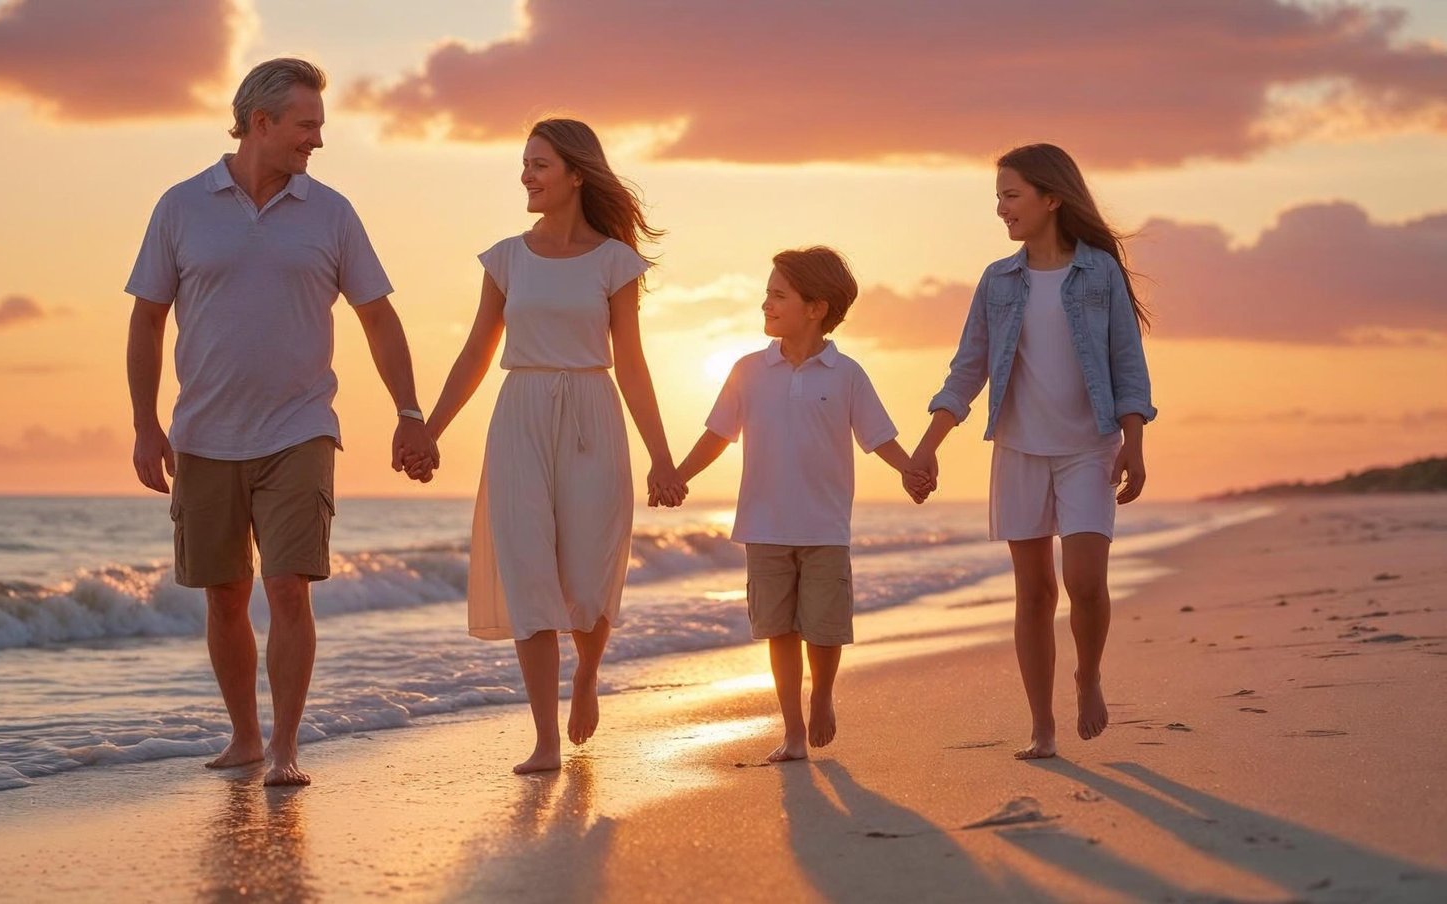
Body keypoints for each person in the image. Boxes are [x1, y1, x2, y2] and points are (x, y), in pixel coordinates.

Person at [124, 58, 437, 786]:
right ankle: (245, 737)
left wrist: (409, 410)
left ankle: (287, 748)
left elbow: (378, 317)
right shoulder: (180, 207)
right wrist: (145, 424)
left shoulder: (330, 212)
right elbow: (146, 320)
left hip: (300, 428)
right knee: (226, 593)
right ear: (260, 123)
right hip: (204, 434)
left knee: (289, 585)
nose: (317, 142)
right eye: (307, 126)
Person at [421, 119, 686, 774]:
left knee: (589, 578)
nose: (527, 176)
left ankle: (588, 671)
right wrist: (430, 428)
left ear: (575, 173)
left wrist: (662, 455)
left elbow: (633, 364)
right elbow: (476, 353)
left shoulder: (615, 262)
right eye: (524, 163)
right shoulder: (506, 257)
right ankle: (545, 739)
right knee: (527, 573)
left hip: (593, 416)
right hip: (520, 414)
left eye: (539, 164)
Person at [908, 143, 1156, 760]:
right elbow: (967, 370)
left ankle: (1088, 674)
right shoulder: (998, 281)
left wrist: (1135, 442)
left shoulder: (1099, 273)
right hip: (1019, 449)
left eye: (1010, 195)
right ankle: (1043, 727)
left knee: (1086, 583)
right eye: (997, 197)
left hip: (1088, 448)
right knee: (1035, 593)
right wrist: (928, 444)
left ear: (1051, 198)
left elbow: (1128, 363)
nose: (1000, 209)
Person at [676, 246, 932, 763]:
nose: (766, 303)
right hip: (765, 524)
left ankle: (823, 697)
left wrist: (909, 468)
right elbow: (716, 434)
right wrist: (676, 476)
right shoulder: (748, 369)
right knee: (779, 630)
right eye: (767, 293)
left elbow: (877, 435)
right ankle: (792, 731)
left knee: (824, 627)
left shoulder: (846, 373)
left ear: (815, 308)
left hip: (824, 526)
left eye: (778, 294)